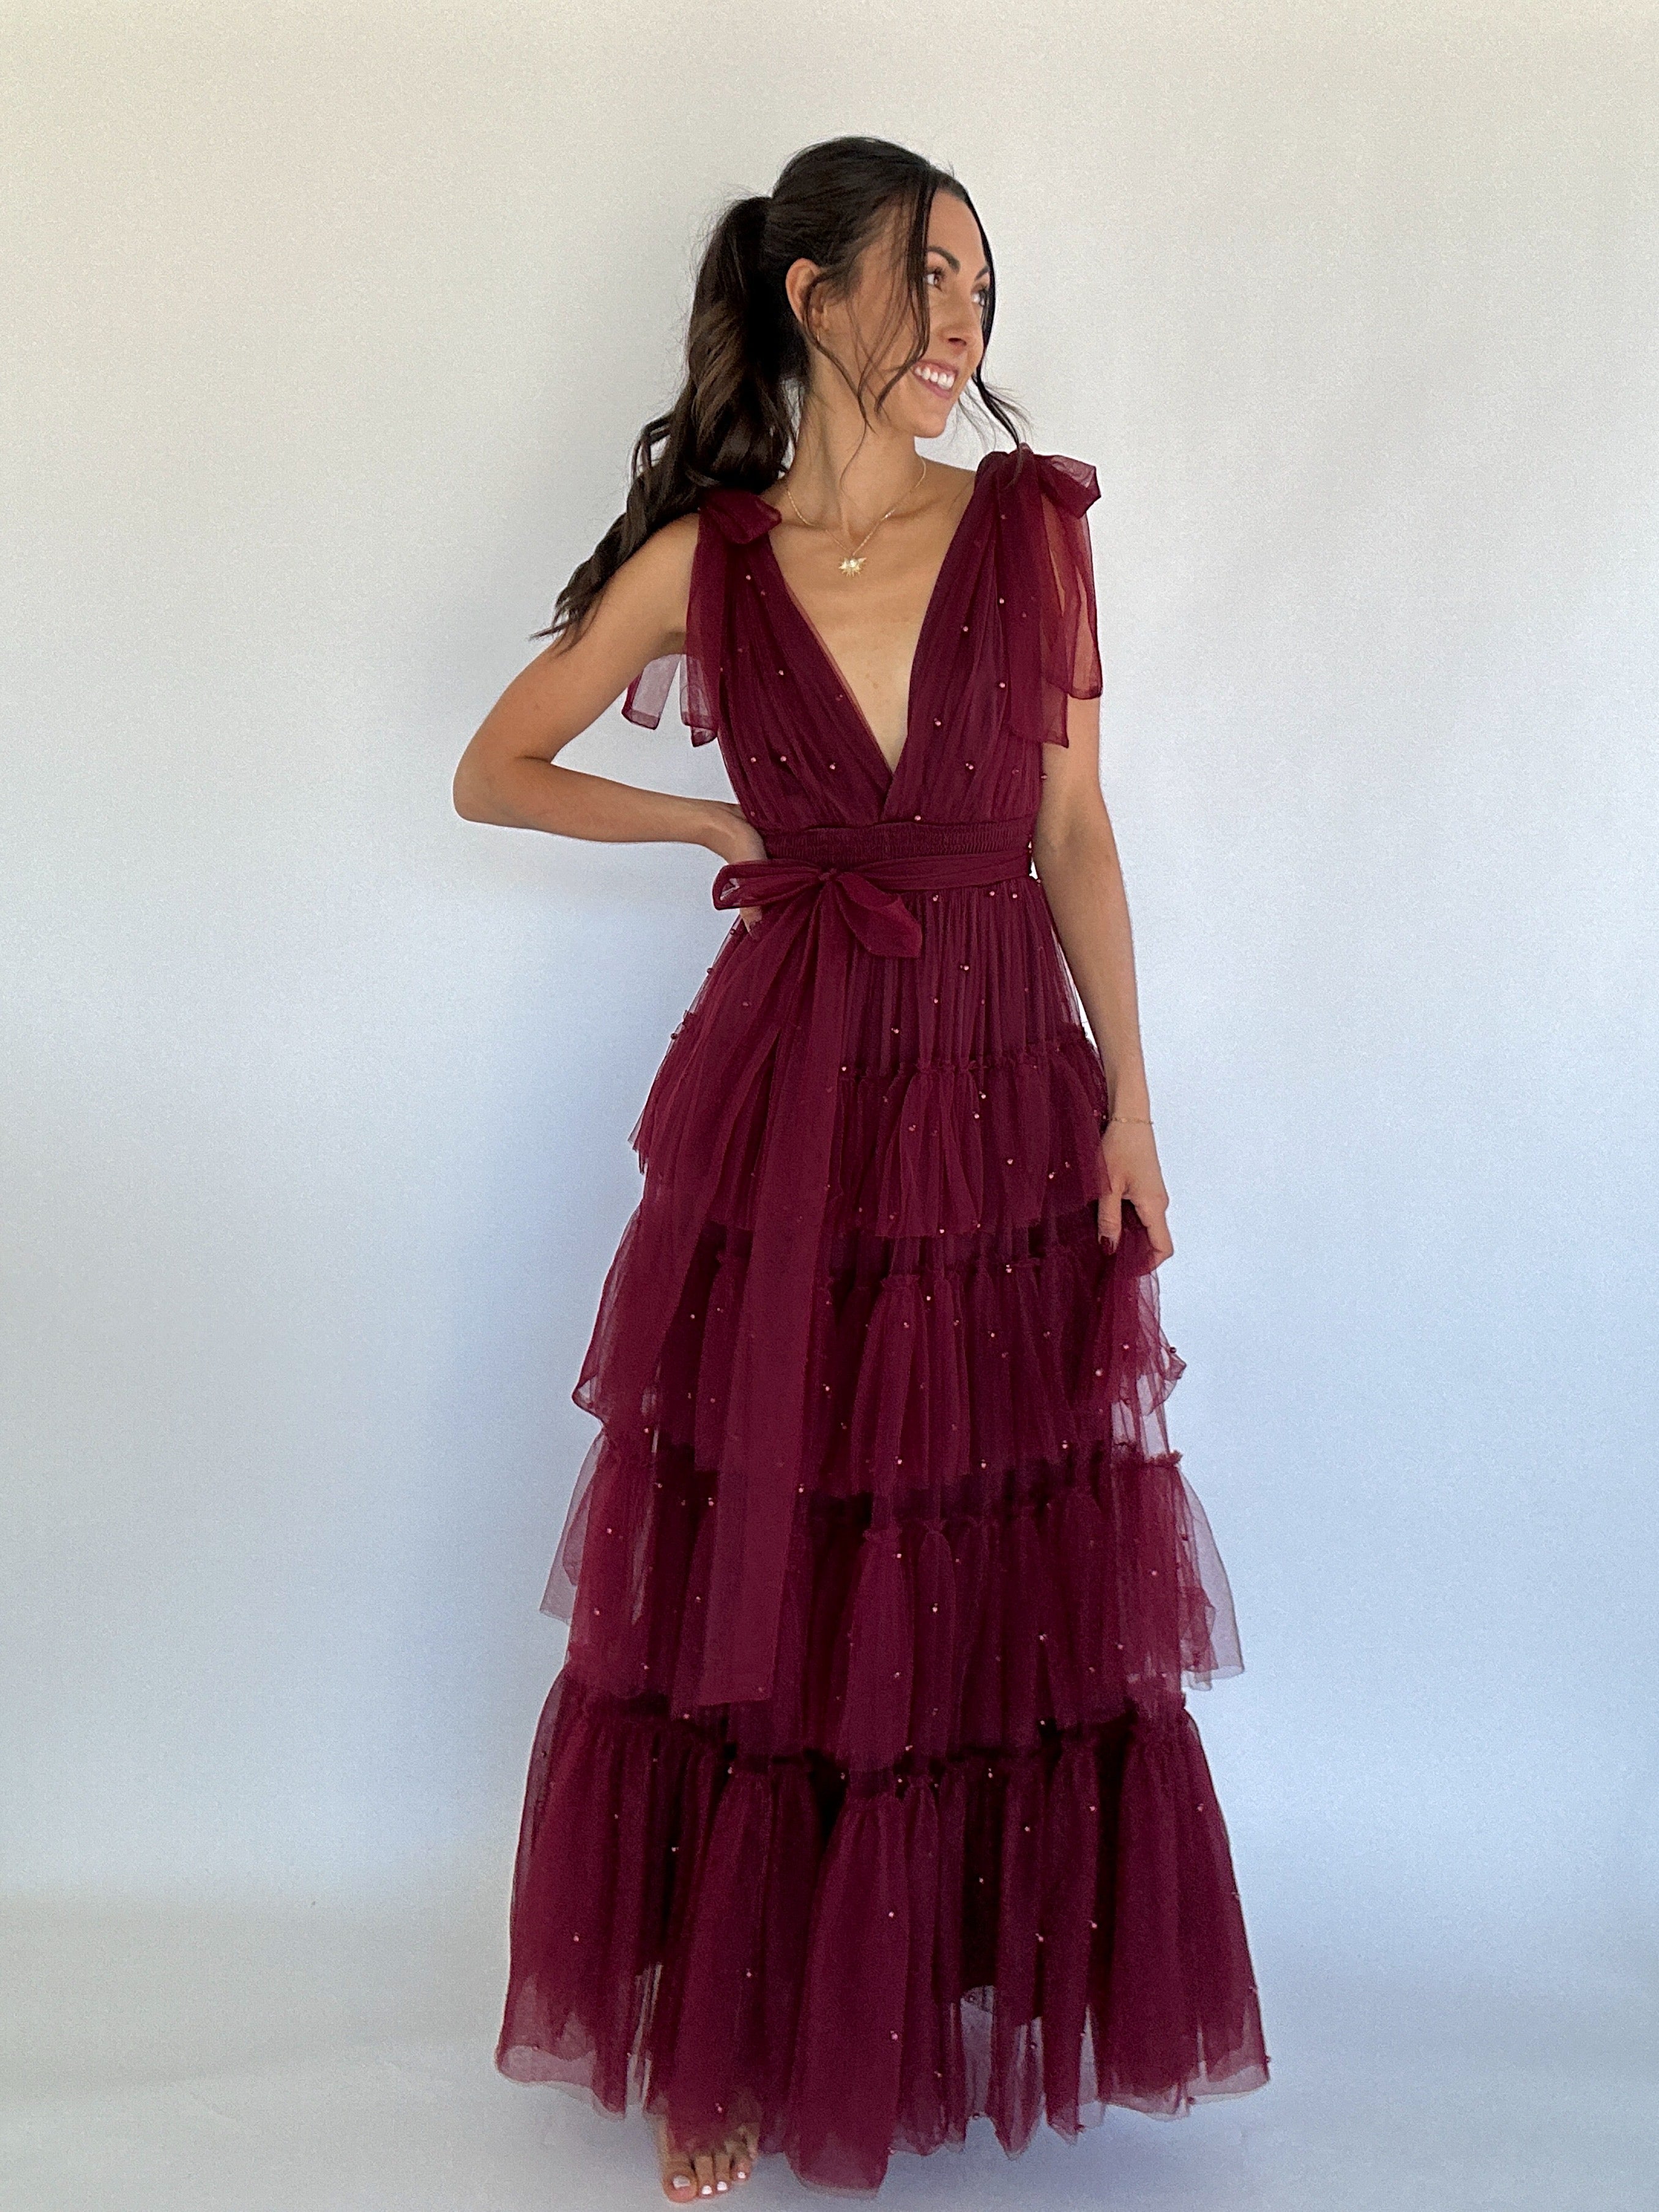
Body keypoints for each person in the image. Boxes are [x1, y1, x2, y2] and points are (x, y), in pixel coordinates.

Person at [454, 133, 1269, 2202]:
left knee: (983, 1559)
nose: (967, 331)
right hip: (795, 1096)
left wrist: (1135, 1107)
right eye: (933, 281)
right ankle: (722, 2041)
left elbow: (1074, 832)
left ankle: (931, 1983)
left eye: (987, 292)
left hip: (1006, 1085)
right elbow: (497, 767)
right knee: (769, 1554)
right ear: (819, 299)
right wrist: (713, 832)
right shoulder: (708, 562)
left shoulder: (1029, 527)